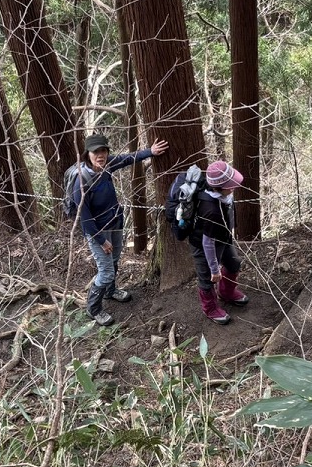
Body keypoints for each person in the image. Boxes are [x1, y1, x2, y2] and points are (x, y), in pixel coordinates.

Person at [73, 133, 169, 326]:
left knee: (115, 260)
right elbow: (85, 219)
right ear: (87, 154)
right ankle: (93, 309)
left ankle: (110, 292)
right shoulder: (81, 182)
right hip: (98, 232)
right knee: (106, 271)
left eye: (103, 151)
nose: (100, 155)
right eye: (95, 152)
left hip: (115, 223)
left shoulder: (107, 165)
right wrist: (102, 241)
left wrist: (150, 152)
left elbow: (127, 159)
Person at [190, 161, 250, 325]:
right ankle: (210, 308)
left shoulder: (225, 196)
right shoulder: (211, 209)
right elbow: (207, 243)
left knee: (233, 264)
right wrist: (215, 269)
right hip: (203, 246)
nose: (234, 187)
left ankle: (226, 292)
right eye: (230, 185)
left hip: (222, 238)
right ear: (219, 188)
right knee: (207, 278)